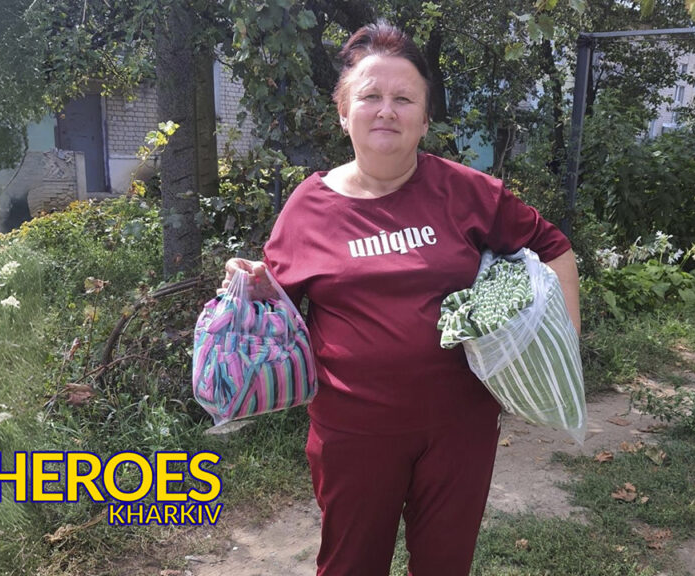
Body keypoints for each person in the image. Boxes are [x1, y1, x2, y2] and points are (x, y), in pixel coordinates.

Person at [222, 21, 580, 576]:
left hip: (460, 427)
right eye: (369, 97)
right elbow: (282, 305)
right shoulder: (306, 207)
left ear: (425, 117)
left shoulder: (467, 191)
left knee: (444, 566)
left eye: (403, 98)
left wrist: (560, 349)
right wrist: (255, 284)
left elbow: (554, 250)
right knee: (350, 565)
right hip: (352, 432)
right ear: (344, 113)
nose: (386, 110)